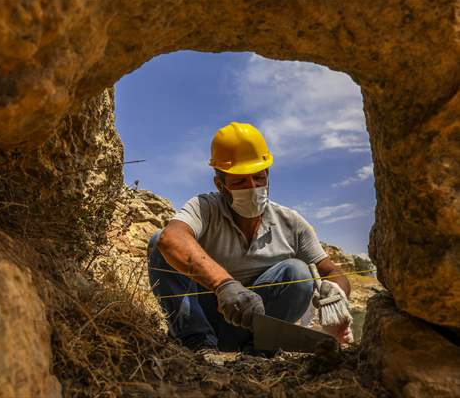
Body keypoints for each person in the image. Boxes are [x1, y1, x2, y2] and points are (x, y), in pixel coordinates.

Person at [147, 122, 352, 353]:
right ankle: (197, 344)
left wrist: (337, 294)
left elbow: (333, 273)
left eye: (258, 178)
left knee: (297, 272)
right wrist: (224, 285)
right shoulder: (205, 208)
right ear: (220, 184)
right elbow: (171, 239)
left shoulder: (291, 223)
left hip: (254, 328)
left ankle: (260, 351)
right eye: (240, 182)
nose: (252, 188)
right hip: (203, 319)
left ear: (268, 174)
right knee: (159, 242)